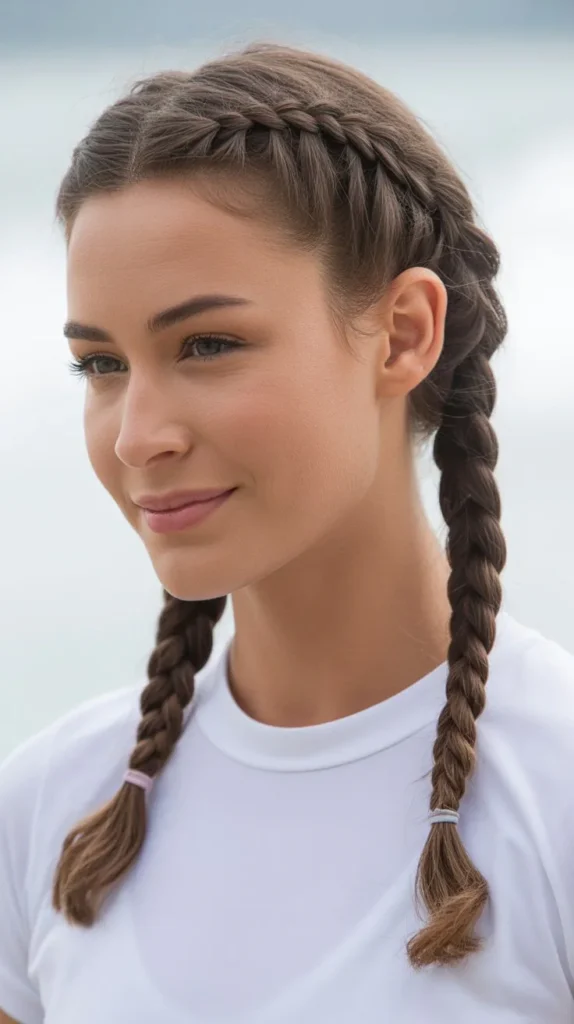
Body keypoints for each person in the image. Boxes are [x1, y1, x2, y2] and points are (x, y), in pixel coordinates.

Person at [1, 40, 573, 1024]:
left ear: (401, 333)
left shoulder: (552, 792)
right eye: (101, 365)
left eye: (208, 345)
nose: (138, 437)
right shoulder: (51, 810)